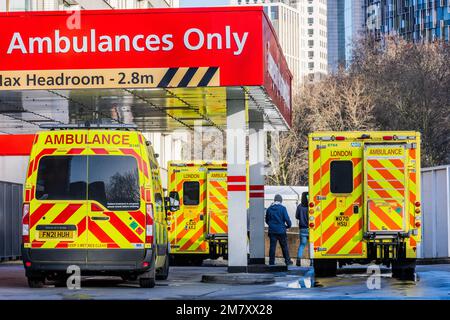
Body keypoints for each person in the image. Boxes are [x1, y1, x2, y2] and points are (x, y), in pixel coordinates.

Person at [265, 194, 293, 266]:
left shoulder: (269, 209)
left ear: (274, 200)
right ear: (280, 201)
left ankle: (271, 262)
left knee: (272, 247)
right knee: (284, 246)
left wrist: (271, 225)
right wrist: (288, 226)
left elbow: (266, 220)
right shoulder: (283, 208)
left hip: (272, 231)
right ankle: (287, 261)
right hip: (281, 231)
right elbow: (287, 219)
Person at [295, 192, 309, 266]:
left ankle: (298, 260)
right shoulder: (310, 206)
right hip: (310, 229)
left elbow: (297, 216)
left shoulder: (299, 206)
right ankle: (312, 262)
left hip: (302, 229)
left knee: (302, 245)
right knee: (311, 246)